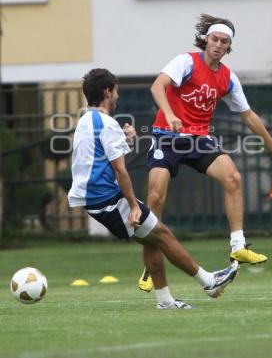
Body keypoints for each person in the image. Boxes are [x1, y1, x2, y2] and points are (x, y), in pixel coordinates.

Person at [138, 13, 272, 292]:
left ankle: (238, 246)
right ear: (206, 40)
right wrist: (170, 114)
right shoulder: (186, 61)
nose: (218, 45)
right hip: (166, 136)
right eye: (215, 39)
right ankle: (152, 264)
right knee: (155, 198)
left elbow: (249, 116)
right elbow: (157, 86)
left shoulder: (228, 78)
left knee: (233, 177)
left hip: (198, 140)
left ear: (229, 46)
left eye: (224, 41)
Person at [67, 68, 239, 309]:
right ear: (107, 92)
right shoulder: (107, 123)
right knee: (162, 234)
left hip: (93, 198)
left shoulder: (86, 120)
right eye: (115, 92)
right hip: (106, 199)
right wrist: (135, 206)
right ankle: (208, 281)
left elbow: (96, 156)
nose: (117, 97)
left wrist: (124, 139)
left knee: (151, 238)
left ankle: (165, 300)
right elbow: (120, 170)